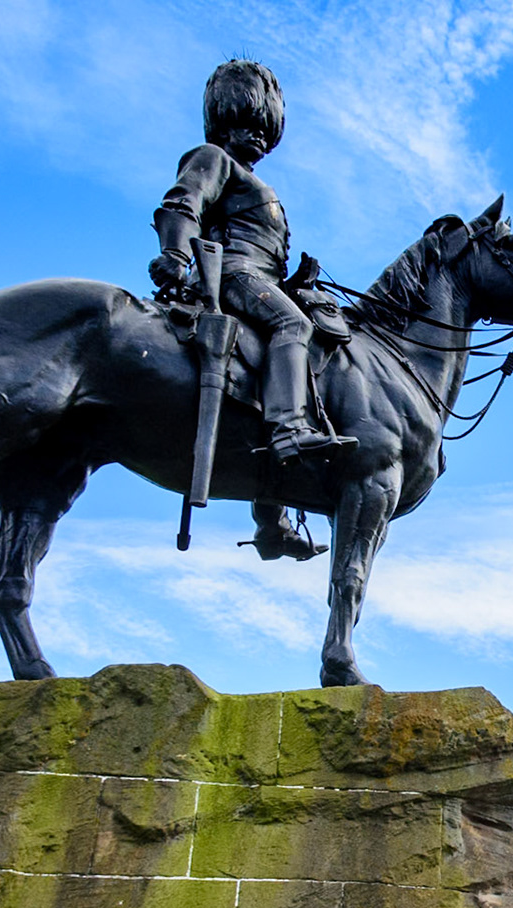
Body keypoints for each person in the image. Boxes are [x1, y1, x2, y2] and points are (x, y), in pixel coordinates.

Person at [150, 60, 344, 561]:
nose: (254, 138)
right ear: (221, 124)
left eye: (263, 129)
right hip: (232, 273)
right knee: (291, 325)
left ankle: (271, 523)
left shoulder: (257, 183)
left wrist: (297, 278)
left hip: (260, 277)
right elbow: (182, 204)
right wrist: (174, 253)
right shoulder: (213, 157)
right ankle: (288, 431)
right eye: (244, 125)